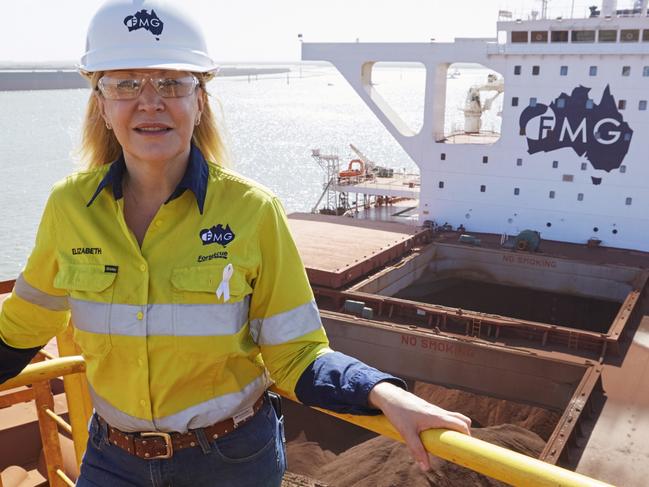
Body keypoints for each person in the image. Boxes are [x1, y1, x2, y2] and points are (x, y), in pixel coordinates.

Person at [0, 2, 471, 486]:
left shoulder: (253, 211)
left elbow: (296, 353)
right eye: (125, 84)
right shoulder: (69, 208)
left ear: (199, 101)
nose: (150, 101)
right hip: (112, 457)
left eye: (171, 83)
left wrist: (382, 393)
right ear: (101, 104)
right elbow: (23, 323)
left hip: (229, 462)